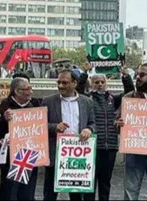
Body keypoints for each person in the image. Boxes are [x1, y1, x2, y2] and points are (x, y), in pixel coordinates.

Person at [77, 67, 134, 201]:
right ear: (92, 83)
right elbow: (78, 90)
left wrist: (125, 76)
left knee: (105, 183)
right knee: (89, 182)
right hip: (92, 146)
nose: (100, 84)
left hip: (110, 147)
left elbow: (129, 92)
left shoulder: (113, 99)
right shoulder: (86, 99)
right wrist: (84, 73)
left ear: (106, 83)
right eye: (97, 82)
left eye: (102, 82)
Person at [42, 69, 96, 201]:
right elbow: (40, 126)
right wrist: (55, 127)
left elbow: (93, 123)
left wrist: (89, 129)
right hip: (55, 155)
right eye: (59, 82)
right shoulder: (48, 101)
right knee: (50, 193)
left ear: (75, 83)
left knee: (76, 194)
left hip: (77, 157)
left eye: (65, 83)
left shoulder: (87, 102)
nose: (60, 86)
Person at [116, 63, 147, 200]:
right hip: (134, 152)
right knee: (130, 193)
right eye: (137, 75)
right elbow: (116, 120)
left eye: (142, 75)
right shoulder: (129, 97)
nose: (138, 78)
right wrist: (118, 123)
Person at [0, 77, 41, 200]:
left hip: (29, 153)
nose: (31, 92)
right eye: (28, 89)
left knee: (27, 191)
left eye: (31, 88)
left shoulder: (35, 104)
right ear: (17, 91)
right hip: (11, 155)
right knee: (10, 191)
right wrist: (3, 119)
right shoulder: (4, 105)